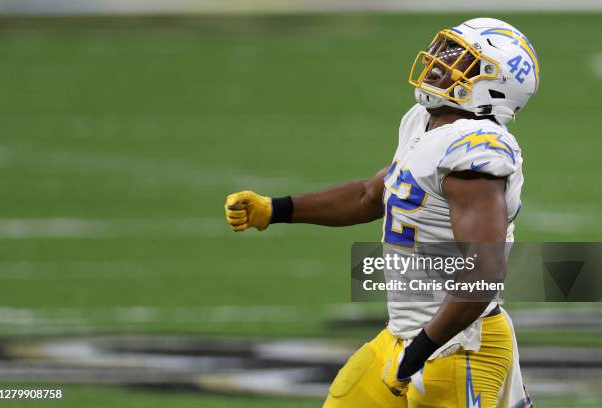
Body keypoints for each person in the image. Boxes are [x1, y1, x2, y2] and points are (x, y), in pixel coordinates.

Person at [224, 17, 537, 408]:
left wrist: (419, 350)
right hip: (407, 335)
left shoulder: (475, 149)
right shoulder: (424, 122)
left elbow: (484, 271)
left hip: (461, 345)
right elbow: (370, 195)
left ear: (494, 86)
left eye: (463, 61)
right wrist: (277, 209)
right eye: (448, 51)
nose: (440, 62)